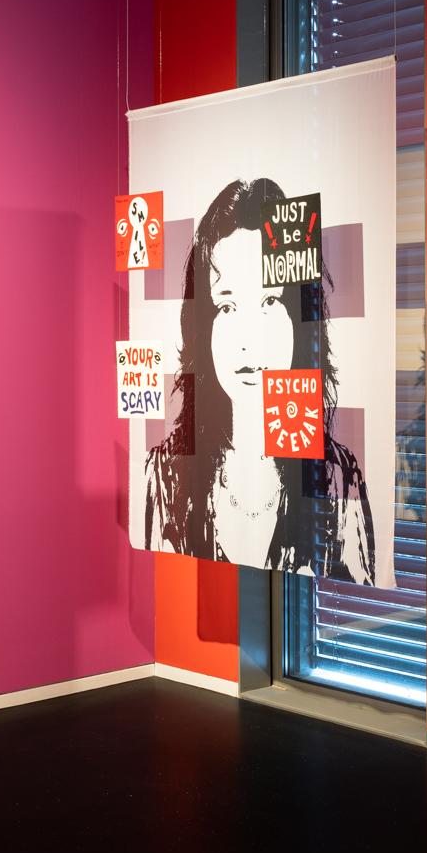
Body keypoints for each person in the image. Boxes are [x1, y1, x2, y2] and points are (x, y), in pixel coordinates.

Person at [144, 177, 377, 582]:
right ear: (203, 327)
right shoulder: (165, 476)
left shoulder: (338, 479)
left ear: (300, 320)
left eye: (269, 301)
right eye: (227, 306)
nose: (248, 341)